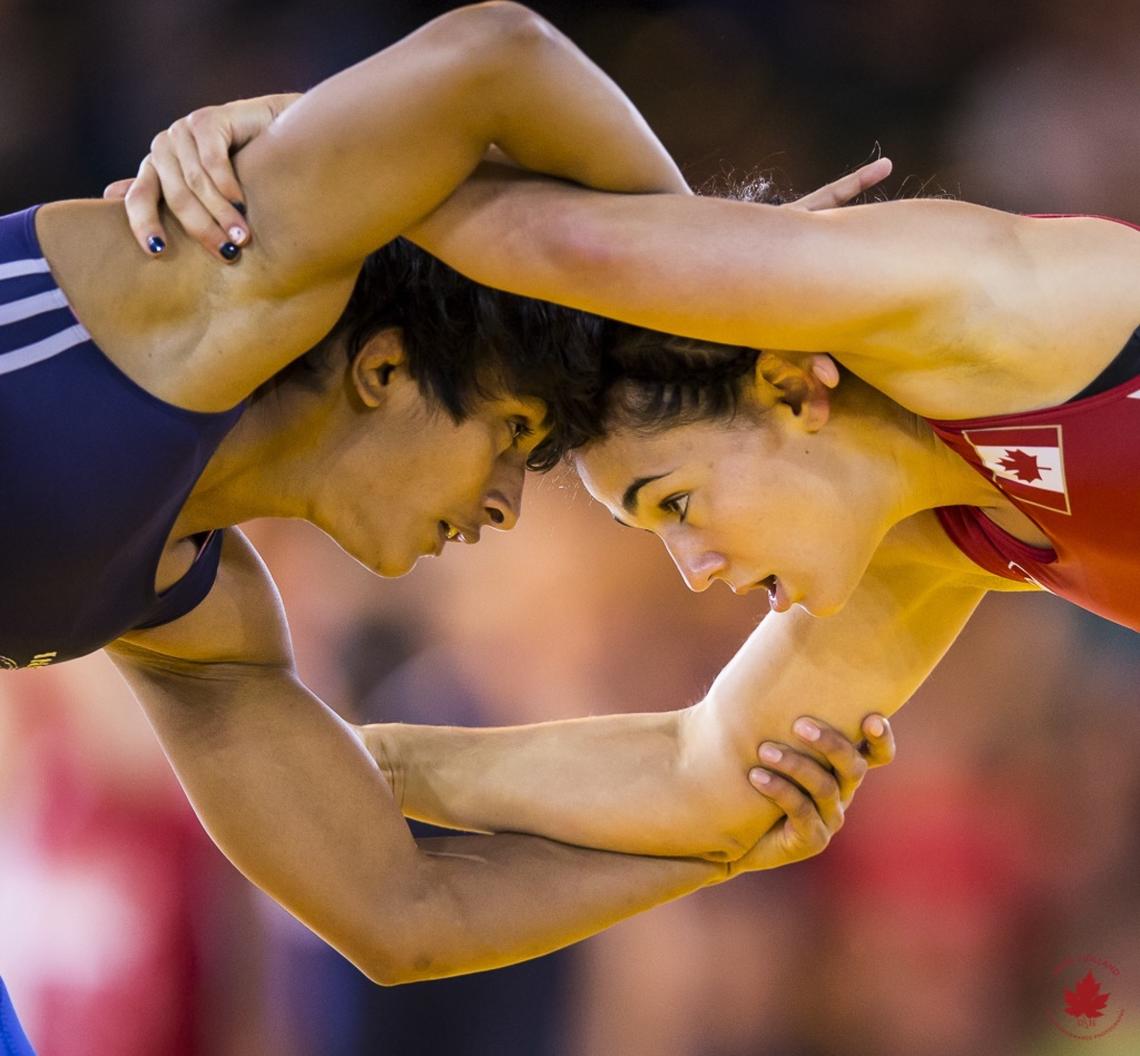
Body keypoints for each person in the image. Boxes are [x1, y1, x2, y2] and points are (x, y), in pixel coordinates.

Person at [0, 3, 895, 1016]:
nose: (506, 507)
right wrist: (710, 291)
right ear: (385, 369)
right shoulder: (220, 283)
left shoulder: (194, 613)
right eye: (513, 438)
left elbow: (400, 916)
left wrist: (717, 852)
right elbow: (497, 58)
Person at [126, 11, 1140, 875]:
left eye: (675, 502)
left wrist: (307, 159)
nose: (695, 573)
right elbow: (709, 776)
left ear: (789, 386)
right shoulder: (926, 536)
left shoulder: (966, 312)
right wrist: (345, 766)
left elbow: (569, 238)